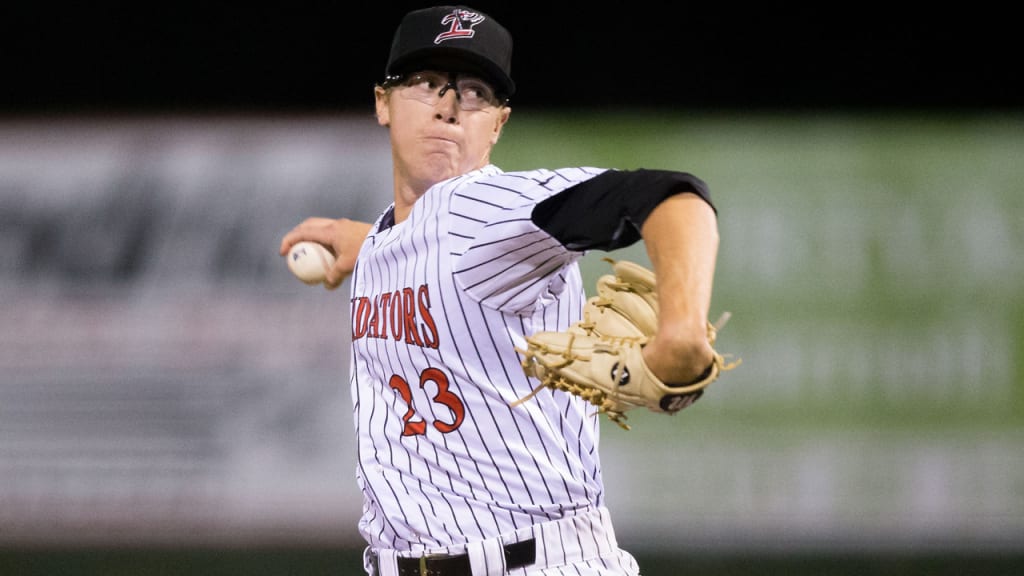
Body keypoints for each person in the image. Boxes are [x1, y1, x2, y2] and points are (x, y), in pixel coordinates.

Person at [280, 6, 720, 575]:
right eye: (424, 83)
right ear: (382, 103)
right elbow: (435, 252)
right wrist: (365, 242)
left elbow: (674, 198)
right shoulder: (396, 237)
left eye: (474, 92)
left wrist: (682, 330)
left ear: (499, 123)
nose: (447, 105)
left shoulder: (490, 209)